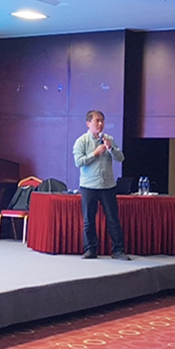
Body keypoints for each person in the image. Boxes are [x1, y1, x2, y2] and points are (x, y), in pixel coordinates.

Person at [72, 110, 130, 260]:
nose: (100, 124)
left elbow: (120, 158)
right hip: (89, 186)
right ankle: (90, 249)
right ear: (88, 123)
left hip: (107, 186)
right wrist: (95, 153)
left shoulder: (108, 139)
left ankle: (118, 251)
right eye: (97, 121)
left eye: (102, 121)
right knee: (89, 220)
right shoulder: (81, 141)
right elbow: (78, 162)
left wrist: (111, 149)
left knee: (113, 219)